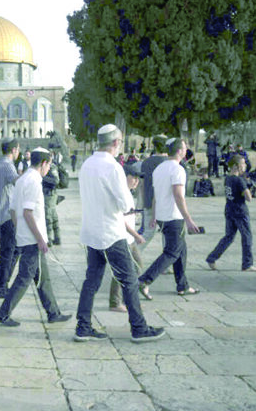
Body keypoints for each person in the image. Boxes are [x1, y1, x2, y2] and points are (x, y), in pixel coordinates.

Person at [75, 123, 165, 343]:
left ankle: (83, 326)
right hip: (110, 234)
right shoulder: (113, 167)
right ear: (116, 142)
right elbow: (126, 204)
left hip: (91, 232)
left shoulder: (87, 164)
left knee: (92, 281)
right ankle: (139, 328)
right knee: (130, 279)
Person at [0, 148, 71, 327]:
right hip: (32, 240)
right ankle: (3, 314)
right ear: (44, 163)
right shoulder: (34, 181)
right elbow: (28, 213)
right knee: (24, 278)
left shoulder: (22, 180)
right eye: (49, 165)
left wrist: (19, 229)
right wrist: (40, 239)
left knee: (43, 277)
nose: (48, 168)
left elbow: (13, 210)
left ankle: (53, 313)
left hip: (25, 236)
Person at [138, 138, 201, 299]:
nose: (186, 150)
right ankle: (144, 280)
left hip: (162, 217)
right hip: (174, 217)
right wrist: (188, 220)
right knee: (172, 252)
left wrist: (154, 215)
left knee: (181, 249)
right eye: (185, 147)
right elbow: (179, 196)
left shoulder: (160, 168)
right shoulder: (177, 170)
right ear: (179, 151)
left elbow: (155, 194)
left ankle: (183, 285)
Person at [206, 154, 255, 272]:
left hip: (229, 210)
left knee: (228, 237)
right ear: (236, 166)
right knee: (247, 237)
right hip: (240, 212)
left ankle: (212, 258)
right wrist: (249, 186)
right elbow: (249, 198)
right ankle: (247, 264)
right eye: (243, 163)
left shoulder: (228, 178)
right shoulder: (239, 180)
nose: (245, 166)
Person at [108, 163, 146, 313]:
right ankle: (116, 302)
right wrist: (136, 235)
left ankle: (126, 299)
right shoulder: (121, 194)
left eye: (138, 179)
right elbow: (121, 220)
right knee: (123, 270)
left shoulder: (129, 193)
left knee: (136, 267)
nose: (136, 181)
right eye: (133, 178)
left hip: (129, 239)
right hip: (123, 238)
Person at [0, 138, 20, 298]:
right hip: (7, 214)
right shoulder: (7, 166)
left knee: (13, 250)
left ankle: (3, 283)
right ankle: (1, 288)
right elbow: (20, 183)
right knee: (8, 252)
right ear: (14, 150)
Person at [139, 135, 168, 242]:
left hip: (148, 201)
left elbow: (142, 184)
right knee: (167, 235)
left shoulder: (146, 162)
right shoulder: (168, 162)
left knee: (147, 233)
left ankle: (134, 254)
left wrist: (144, 202)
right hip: (165, 204)